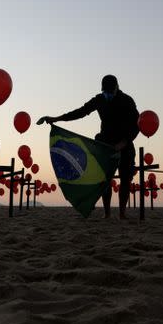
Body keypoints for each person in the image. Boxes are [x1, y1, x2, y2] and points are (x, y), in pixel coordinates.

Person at [37, 75, 139, 219]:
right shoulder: (99, 99)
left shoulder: (127, 101)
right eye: (105, 92)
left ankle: (122, 214)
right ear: (102, 90)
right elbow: (80, 112)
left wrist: (124, 142)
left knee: (126, 178)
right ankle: (107, 214)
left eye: (110, 92)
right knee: (104, 179)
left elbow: (136, 125)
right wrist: (57, 119)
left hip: (125, 143)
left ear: (117, 88)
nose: (108, 95)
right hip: (104, 143)